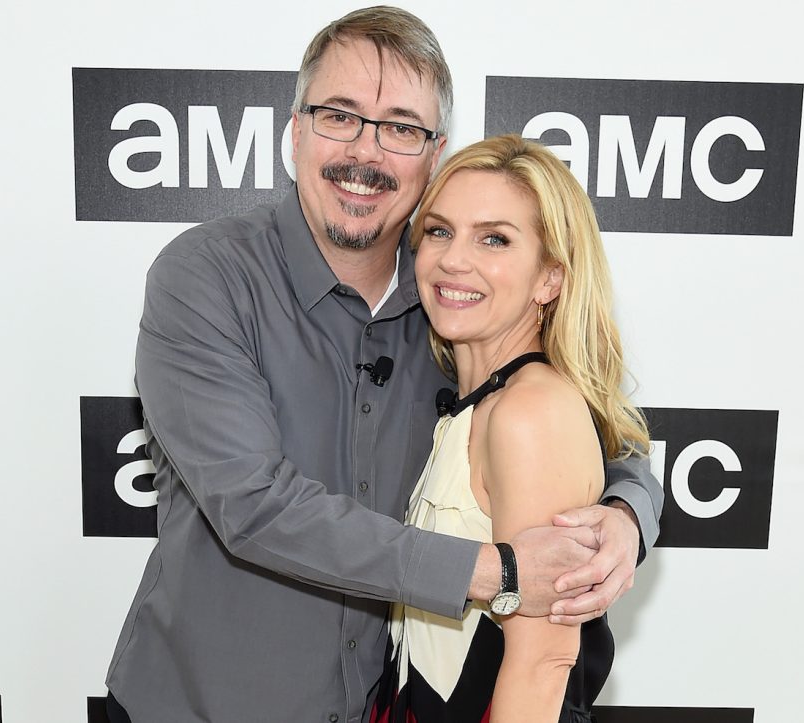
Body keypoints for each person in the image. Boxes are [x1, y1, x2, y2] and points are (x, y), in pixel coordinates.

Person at [105, 8, 662, 723]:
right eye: (340, 115)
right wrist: (499, 573)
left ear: (433, 155)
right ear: (295, 129)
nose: (365, 153)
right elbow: (253, 505)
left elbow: (587, 429)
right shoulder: (207, 277)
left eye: (400, 127)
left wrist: (624, 513)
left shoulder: (458, 304)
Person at [370, 135, 650, 723]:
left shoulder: (530, 413)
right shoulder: (468, 400)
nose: (454, 260)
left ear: (550, 277)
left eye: (494, 238)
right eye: (439, 231)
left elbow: (543, 664)